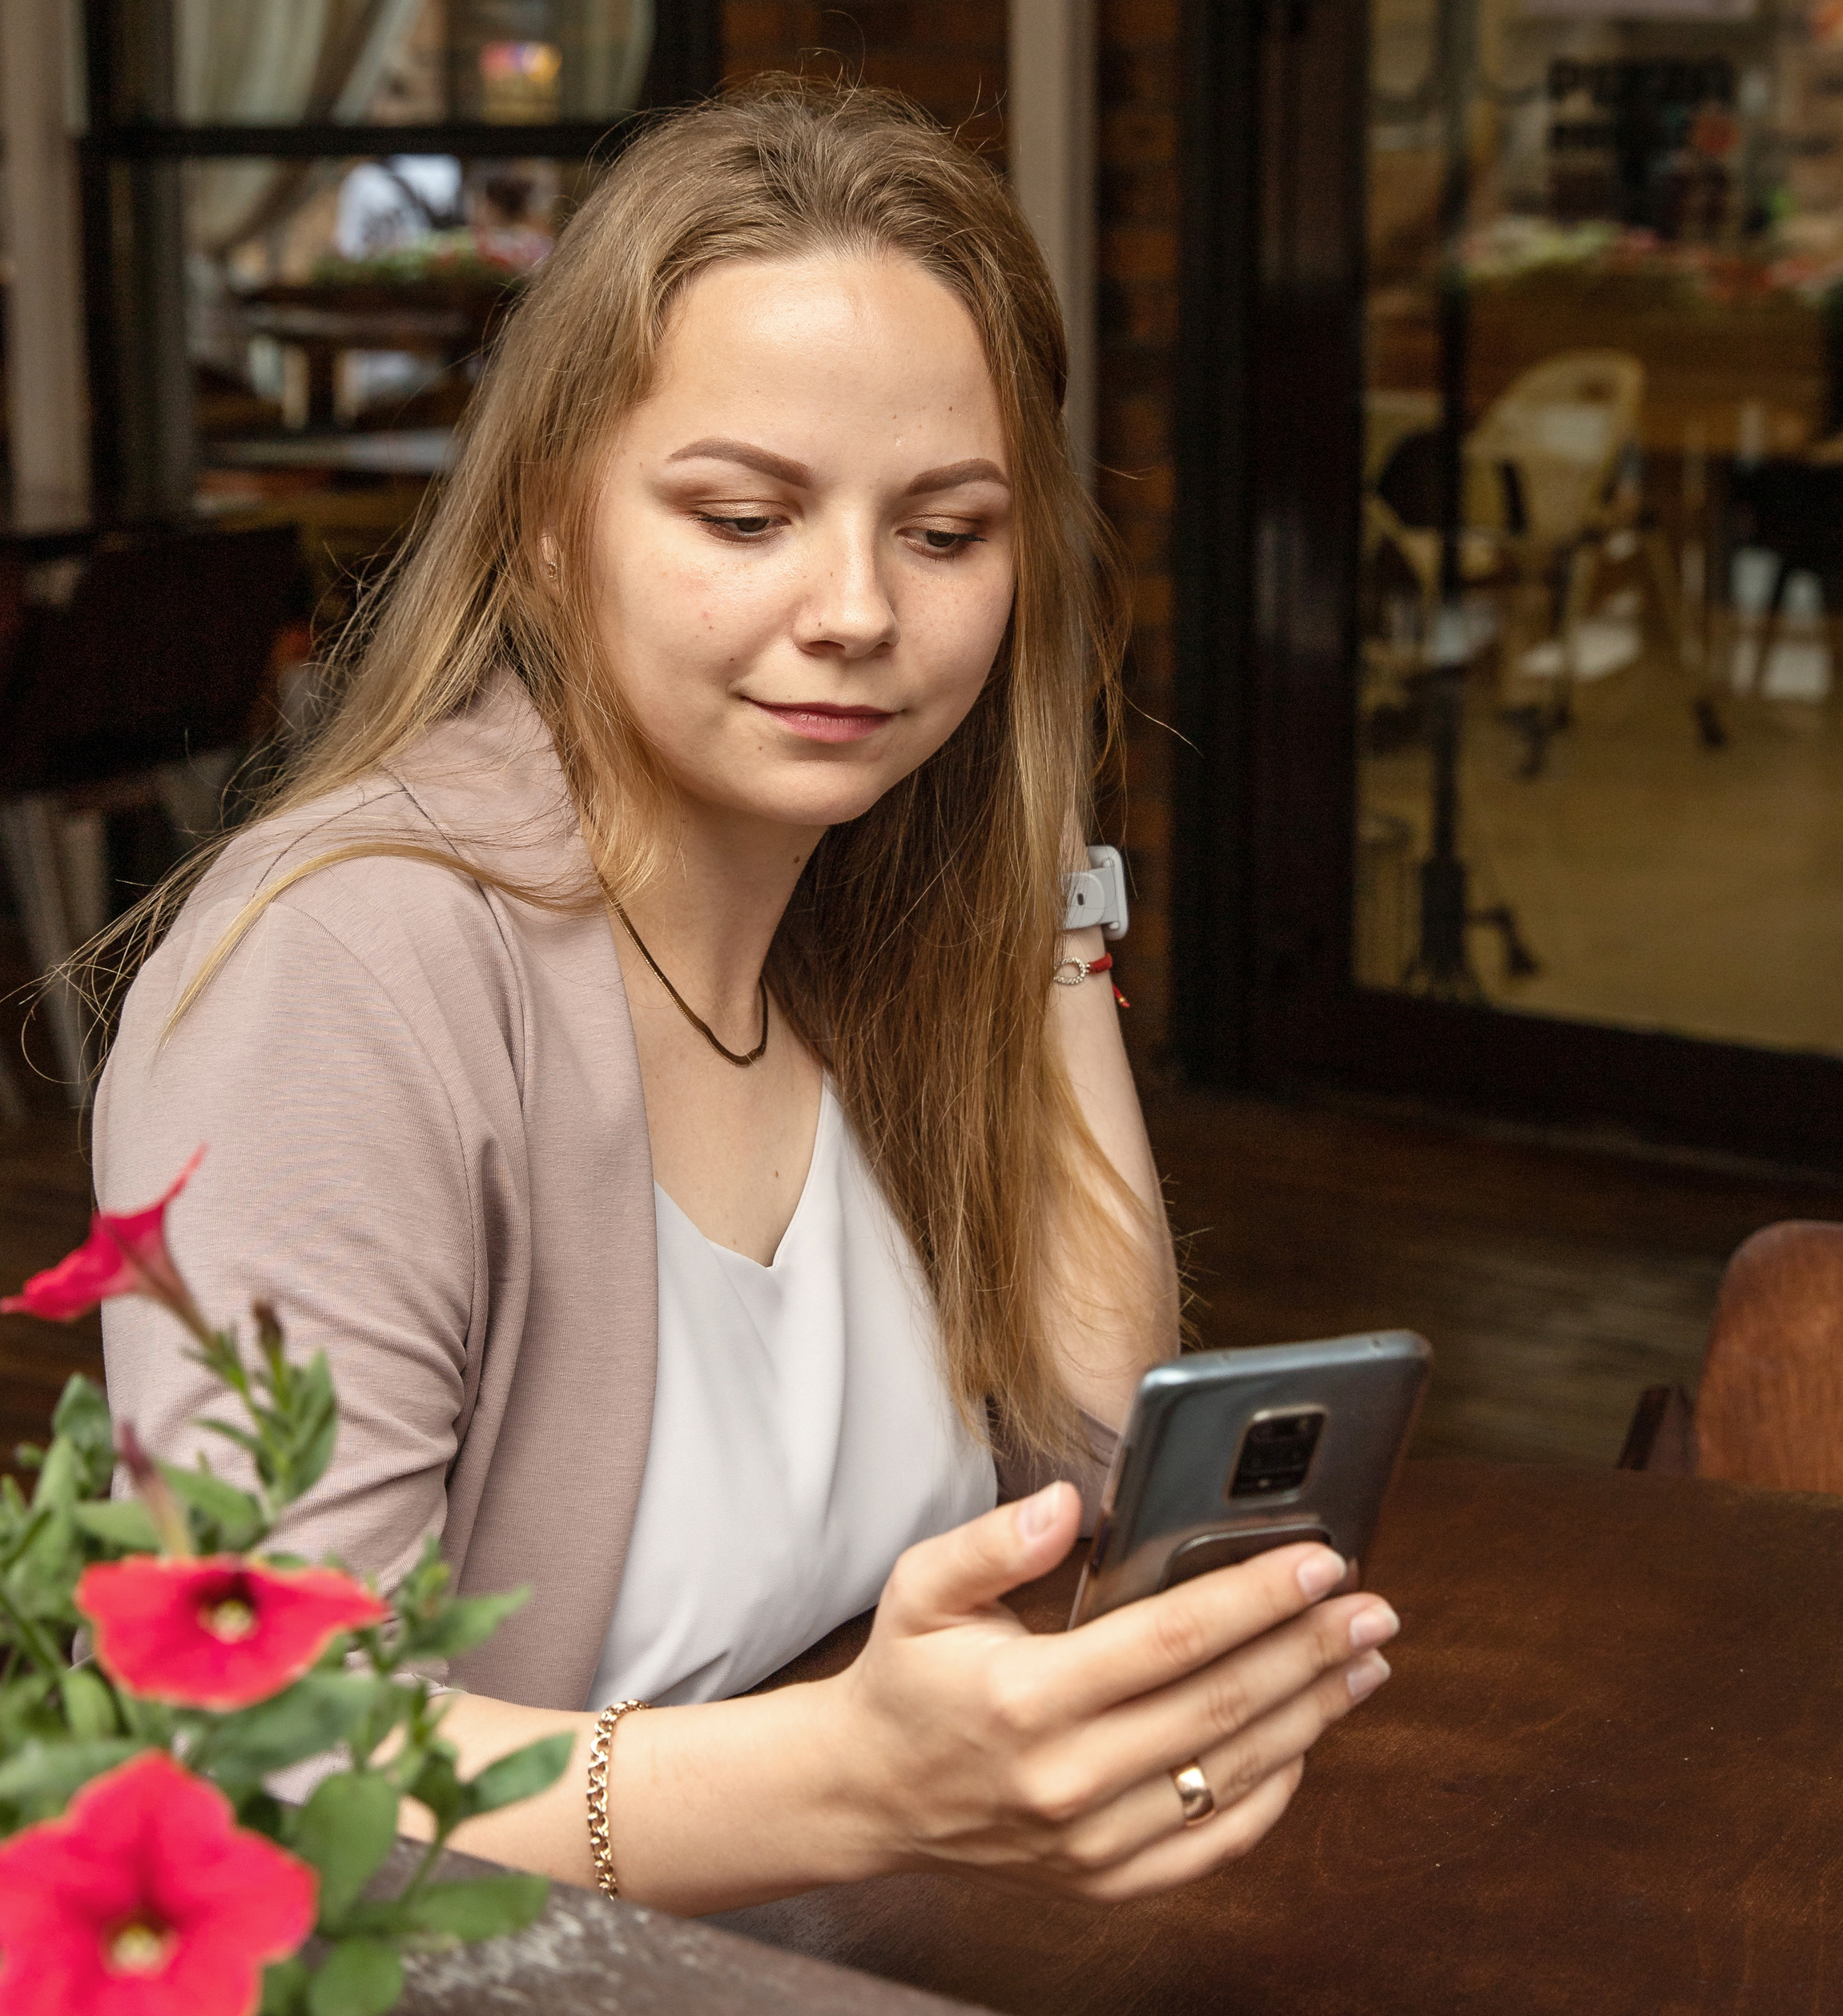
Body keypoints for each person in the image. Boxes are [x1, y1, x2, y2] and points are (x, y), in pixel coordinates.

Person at [93, 80, 1398, 1917]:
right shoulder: (350, 966)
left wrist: (1031, 878)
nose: (857, 608)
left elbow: (1101, 1468)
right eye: (741, 514)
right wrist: (853, 1783)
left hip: (840, 1986)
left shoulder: (875, 892)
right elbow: (274, 1770)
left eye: (946, 533)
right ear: (552, 525)